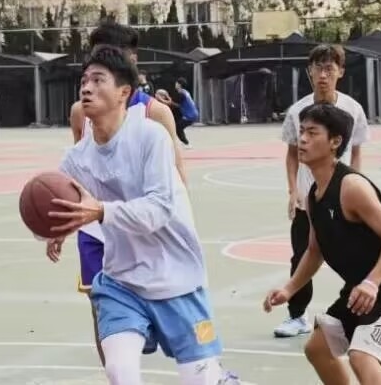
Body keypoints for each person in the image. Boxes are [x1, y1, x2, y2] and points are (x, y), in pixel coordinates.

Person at [48, 44, 240, 385]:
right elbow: (55, 205)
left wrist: (101, 211)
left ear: (124, 92)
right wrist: (54, 229)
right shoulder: (76, 158)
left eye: (98, 80)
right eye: (84, 81)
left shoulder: (150, 137)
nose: (86, 88)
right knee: (119, 370)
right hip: (121, 280)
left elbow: (158, 210)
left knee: (201, 380)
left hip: (176, 277)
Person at [263, 103, 381, 385]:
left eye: (312, 133)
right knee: (317, 348)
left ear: (335, 142)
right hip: (360, 292)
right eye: (302, 132)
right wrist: (289, 289)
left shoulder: (351, 187)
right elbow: (314, 251)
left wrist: (372, 283)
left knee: (362, 356)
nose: (302, 139)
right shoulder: (313, 195)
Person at [67, 22, 187, 366]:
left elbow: (177, 178)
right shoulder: (80, 112)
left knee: (166, 304)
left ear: (131, 60)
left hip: (144, 224)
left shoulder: (155, 112)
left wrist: (178, 227)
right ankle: (115, 372)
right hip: (96, 227)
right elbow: (78, 170)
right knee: (99, 302)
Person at [275, 44, 370, 338]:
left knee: (354, 257)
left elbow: (356, 152)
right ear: (309, 72)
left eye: (329, 68)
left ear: (341, 72)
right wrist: (293, 191)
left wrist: (356, 185)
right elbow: (291, 155)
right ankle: (297, 316)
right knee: (301, 256)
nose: (323, 75)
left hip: (343, 199)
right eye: (318, 68)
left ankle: (358, 311)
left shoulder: (353, 109)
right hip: (308, 200)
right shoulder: (297, 111)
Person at [157, 78, 198, 149]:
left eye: (177, 83)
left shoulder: (181, 94)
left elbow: (172, 103)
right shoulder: (185, 92)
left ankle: (186, 143)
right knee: (179, 127)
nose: (175, 84)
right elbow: (177, 104)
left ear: (179, 85)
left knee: (177, 128)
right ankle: (184, 142)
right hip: (193, 114)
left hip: (190, 115)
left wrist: (160, 99)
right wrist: (167, 97)